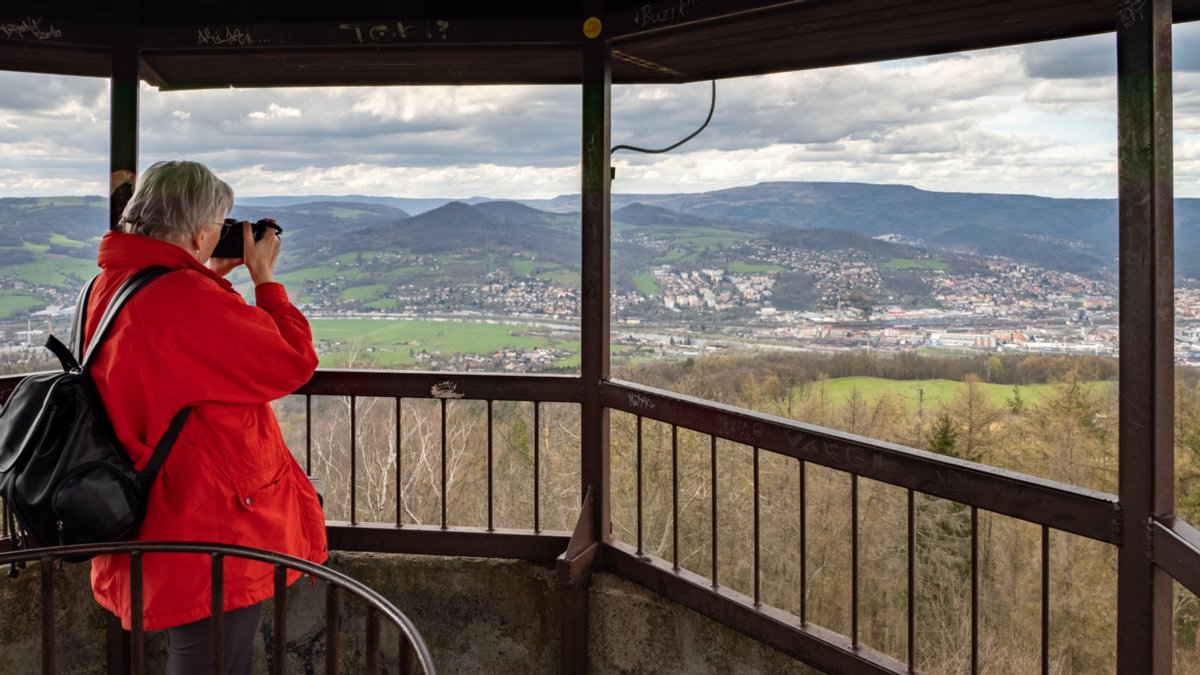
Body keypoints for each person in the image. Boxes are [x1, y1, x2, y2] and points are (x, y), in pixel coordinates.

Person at [85, 160, 326, 674]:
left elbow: (181, 358)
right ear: (199, 231)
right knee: (212, 659)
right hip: (206, 519)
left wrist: (210, 276)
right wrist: (264, 279)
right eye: (220, 223)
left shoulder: (108, 284)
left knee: (203, 654)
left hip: (148, 502)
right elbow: (292, 362)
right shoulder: (182, 296)